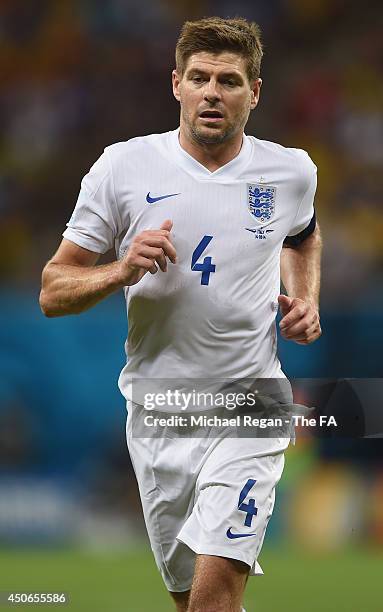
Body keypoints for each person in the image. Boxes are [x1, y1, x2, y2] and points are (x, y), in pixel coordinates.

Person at [39, 16, 322, 612]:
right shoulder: (122, 168)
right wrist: (119, 270)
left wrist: (305, 297)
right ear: (176, 84)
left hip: (251, 404)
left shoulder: (292, 170)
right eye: (199, 78)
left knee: (213, 598)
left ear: (255, 92)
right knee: (191, 601)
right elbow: (52, 290)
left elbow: (302, 235)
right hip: (160, 410)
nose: (212, 92)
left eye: (228, 80)